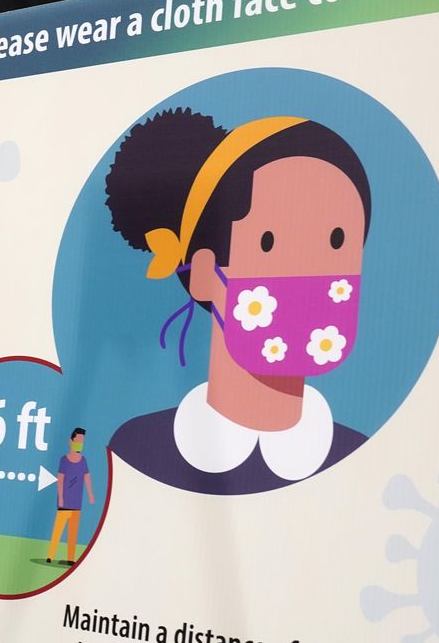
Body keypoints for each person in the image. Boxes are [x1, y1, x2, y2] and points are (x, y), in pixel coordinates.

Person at [104, 109, 370, 495]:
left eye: (337, 241)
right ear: (204, 273)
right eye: (269, 242)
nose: (307, 272)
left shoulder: (358, 458)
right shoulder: (136, 449)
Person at [45, 428, 94, 565]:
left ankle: (70, 558)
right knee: (57, 531)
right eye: (78, 440)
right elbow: (60, 479)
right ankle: (50, 555)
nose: (80, 443)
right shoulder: (64, 460)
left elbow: (87, 478)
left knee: (73, 533)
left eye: (82, 441)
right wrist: (60, 497)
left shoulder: (83, 461)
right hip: (64, 503)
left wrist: (90, 494)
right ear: (71, 441)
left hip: (77, 503)